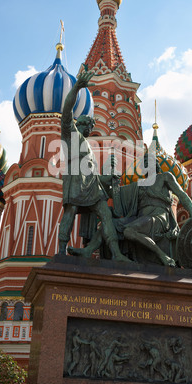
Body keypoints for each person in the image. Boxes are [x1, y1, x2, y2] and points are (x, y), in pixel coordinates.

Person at [68, 160, 192, 266]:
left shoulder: (165, 177)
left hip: (159, 218)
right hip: (142, 218)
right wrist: (111, 179)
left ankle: (163, 256)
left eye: (149, 161)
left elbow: (182, 195)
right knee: (109, 223)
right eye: (144, 163)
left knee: (128, 231)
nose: (147, 164)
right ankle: (88, 250)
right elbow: (116, 196)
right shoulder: (140, 184)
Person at [58, 70, 129, 262]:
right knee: (70, 212)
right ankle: (61, 250)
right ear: (80, 124)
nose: (90, 128)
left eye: (91, 126)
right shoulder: (71, 134)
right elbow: (66, 111)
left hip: (91, 184)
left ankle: (116, 254)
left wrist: (109, 177)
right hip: (75, 180)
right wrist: (77, 88)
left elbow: (93, 173)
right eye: (88, 124)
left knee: (105, 214)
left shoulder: (88, 145)